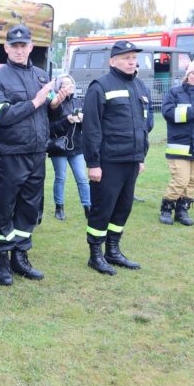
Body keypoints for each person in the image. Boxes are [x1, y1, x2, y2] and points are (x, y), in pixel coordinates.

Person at [0, 24, 63, 286]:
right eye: (14, 46)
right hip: (8, 155)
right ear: (6, 48)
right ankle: (2, 262)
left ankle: (21, 257)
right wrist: (37, 101)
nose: (19, 50)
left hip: (36, 153)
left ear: (31, 47)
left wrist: (54, 104)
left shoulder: (42, 76)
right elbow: (2, 117)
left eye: (24, 46)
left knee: (29, 208)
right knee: (3, 207)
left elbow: (50, 114)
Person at [82, 40, 152, 275]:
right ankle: (95, 255)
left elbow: (144, 124)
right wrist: (93, 163)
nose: (132, 61)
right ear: (113, 61)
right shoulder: (100, 86)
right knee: (103, 209)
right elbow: (91, 128)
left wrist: (140, 157)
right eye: (126, 58)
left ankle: (113, 250)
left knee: (123, 208)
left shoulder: (141, 87)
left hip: (131, 161)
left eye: (134, 58)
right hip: (108, 162)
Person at [158, 59, 194, 225]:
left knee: (193, 181)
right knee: (180, 180)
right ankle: (166, 209)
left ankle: (182, 211)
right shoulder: (174, 93)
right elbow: (170, 115)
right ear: (188, 74)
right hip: (180, 146)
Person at [47, 74, 91, 220]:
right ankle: (59, 207)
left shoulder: (78, 101)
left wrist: (82, 120)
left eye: (71, 83)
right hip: (59, 147)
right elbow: (50, 128)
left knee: (82, 178)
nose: (69, 86)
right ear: (59, 88)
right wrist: (68, 120)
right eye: (65, 84)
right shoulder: (54, 105)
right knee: (61, 177)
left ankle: (88, 207)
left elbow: (85, 127)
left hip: (77, 146)